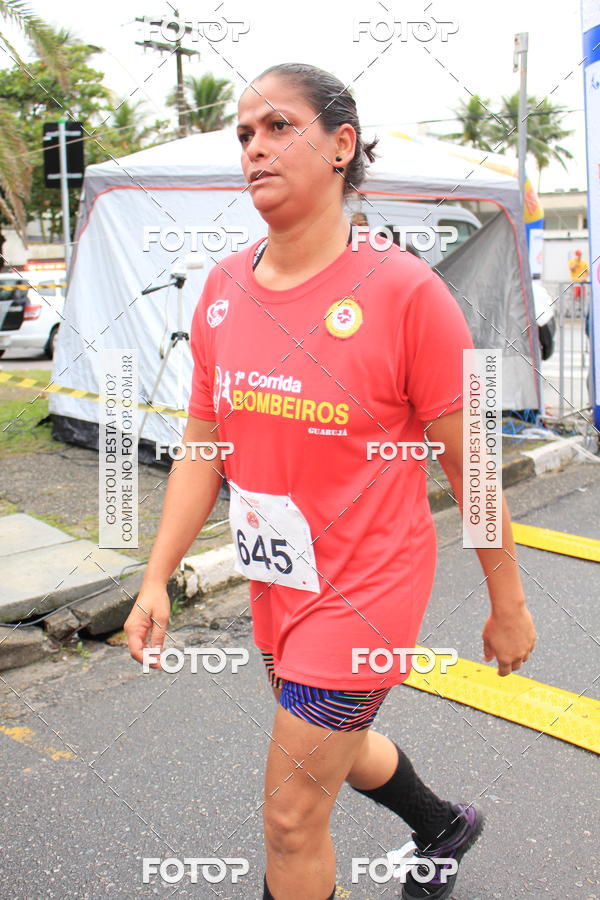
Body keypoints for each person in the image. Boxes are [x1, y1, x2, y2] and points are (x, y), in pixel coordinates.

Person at [124, 63, 536, 900]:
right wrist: (156, 576)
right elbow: (204, 447)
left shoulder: (408, 294)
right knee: (337, 748)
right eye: (245, 134)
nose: (256, 149)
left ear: (341, 145)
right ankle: (445, 826)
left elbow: (473, 466)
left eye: (280, 127)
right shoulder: (222, 289)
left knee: (289, 814)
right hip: (279, 582)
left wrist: (510, 603)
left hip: (368, 590)